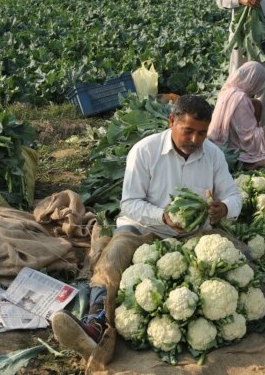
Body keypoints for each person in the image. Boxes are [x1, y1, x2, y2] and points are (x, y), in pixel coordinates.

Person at [51, 95, 243, 367]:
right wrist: (162, 216)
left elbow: (234, 196)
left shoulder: (213, 155)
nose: (194, 140)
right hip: (144, 229)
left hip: (192, 236)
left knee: (236, 261)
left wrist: (224, 208)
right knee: (113, 257)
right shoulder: (145, 151)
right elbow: (130, 202)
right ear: (172, 121)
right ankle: (95, 323)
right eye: (188, 130)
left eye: (202, 133)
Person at [208, 61, 265, 168]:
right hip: (229, 151)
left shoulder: (227, 90)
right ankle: (250, 165)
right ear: (253, 81)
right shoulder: (241, 99)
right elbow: (249, 138)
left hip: (214, 143)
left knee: (256, 103)